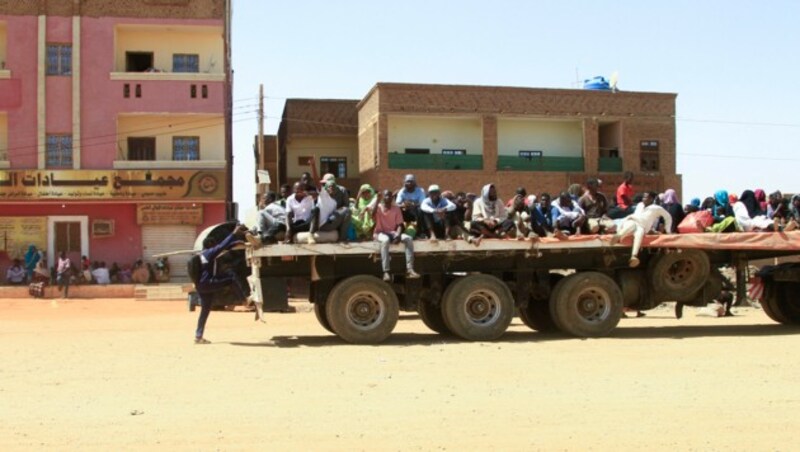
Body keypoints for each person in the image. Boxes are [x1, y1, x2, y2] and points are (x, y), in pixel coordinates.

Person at [194, 224, 249, 344]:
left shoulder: (203, 255)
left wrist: (235, 243)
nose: (215, 246)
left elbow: (223, 249)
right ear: (210, 245)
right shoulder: (210, 253)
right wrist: (234, 233)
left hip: (201, 286)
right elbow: (221, 246)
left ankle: (198, 336)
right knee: (230, 278)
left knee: (205, 311)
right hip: (208, 283)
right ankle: (244, 300)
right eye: (214, 244)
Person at [610, 191, 673, 268]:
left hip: (642, 227)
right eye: (643, 197)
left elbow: (668, 217)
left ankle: (634, 256)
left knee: (639, 234)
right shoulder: (640, 205)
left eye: (646, 197)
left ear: (651, 199)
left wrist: (668, 230)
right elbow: (635, 214)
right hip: (632, 220)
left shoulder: (656, 208)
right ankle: (618, 236)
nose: (643, 199)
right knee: (631, 225)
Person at [373, 189, 420, 282]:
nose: (388, 197)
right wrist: (377, 200)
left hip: (392, 232)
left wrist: (398, 235)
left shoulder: (396, 209)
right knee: (385, 240)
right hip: (380, 233)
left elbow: (399, 225)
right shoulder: (378, 207)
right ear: (383, 197)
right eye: (386, 195)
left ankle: (410, 269)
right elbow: (372, 214)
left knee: (409, 239)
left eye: (390, 196)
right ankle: (386, 272)